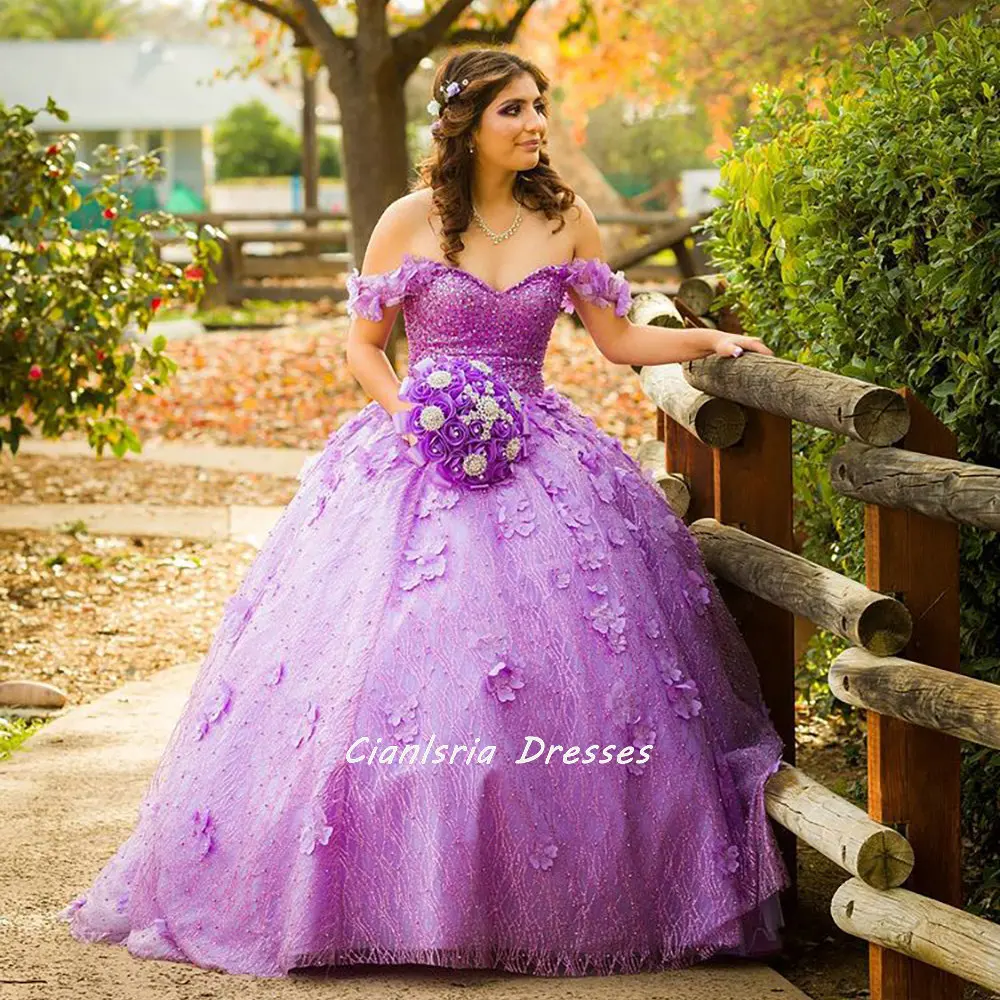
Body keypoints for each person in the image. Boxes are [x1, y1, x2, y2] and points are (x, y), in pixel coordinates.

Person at [58, 46, 790, 979]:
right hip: (414, 451)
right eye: (513, 110)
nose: (534, 124)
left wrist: (707, 337)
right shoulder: (406, 222)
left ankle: (545, 898)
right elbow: (365, 347)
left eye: (539, 107)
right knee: (395, 665)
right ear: (466, 123)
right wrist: (412, 412)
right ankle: (374, 900)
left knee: (556, 666)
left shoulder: (565, 218)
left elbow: (613, 340)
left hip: (540, 452)